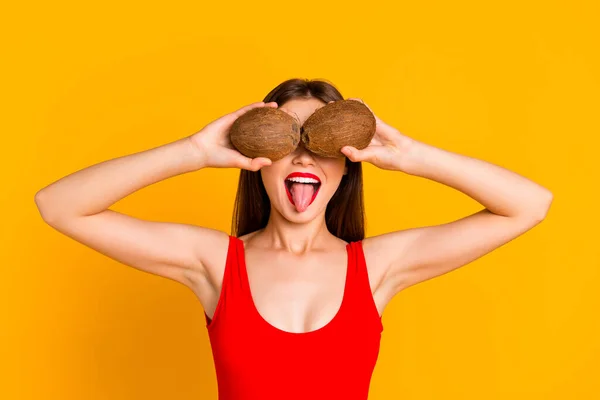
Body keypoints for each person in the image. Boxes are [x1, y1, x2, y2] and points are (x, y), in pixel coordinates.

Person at [34, 78, 553, 399]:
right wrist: (193, 150)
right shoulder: (217, 262)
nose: (304, 158)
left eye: (321, 141)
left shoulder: (375, 267)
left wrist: (412, 155)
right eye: (287, 139)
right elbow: (58, 205)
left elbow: (530, 205)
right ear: (257, 160)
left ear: (347, 165)